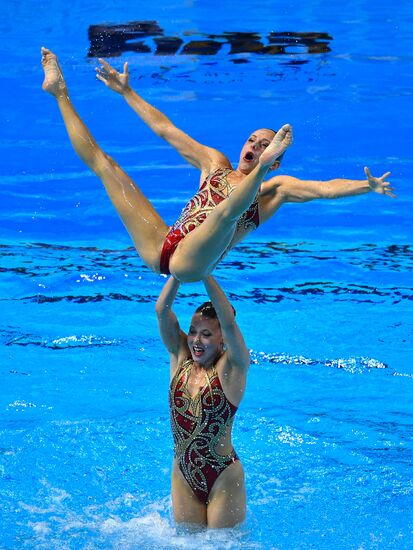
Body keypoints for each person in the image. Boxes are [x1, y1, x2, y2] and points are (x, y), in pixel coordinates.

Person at [41, 47, 395, 283]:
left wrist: (367, 186)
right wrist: (127, 93)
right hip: (161, 247)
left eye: (264, 146)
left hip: (191, 265)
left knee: (226, 212)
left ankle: (262, 171)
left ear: (273, 162)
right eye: (252, 141)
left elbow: (322, 189)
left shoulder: (274, 188)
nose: (254, 146)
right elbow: (166, 130)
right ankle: (59, 92)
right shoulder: (215, 163)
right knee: (107, 166)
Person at [155, 274, 250, 528]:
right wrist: (179, 272)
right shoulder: (180, 355)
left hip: (223, 476)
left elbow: (229, 323)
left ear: (222, 340)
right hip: (183, 475)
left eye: (206, 334)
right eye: (194, 331)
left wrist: (205, 271)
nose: (196, 340)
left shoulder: (232, 367)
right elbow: (162, 311)